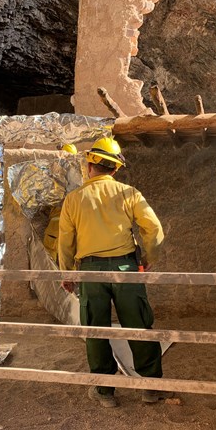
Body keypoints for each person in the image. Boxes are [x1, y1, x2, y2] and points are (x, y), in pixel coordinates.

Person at [57, 136, 169, 408]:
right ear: (115, 168)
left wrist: (67, 274)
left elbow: (65, 242)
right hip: (125, 269)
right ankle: (150, 388)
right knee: (139, 325)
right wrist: (148, 257)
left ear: (90, 165)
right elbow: (153, 228)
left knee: (96, 328)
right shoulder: (129, 194)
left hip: (91, 271)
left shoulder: (73, 199)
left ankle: (105, 391)